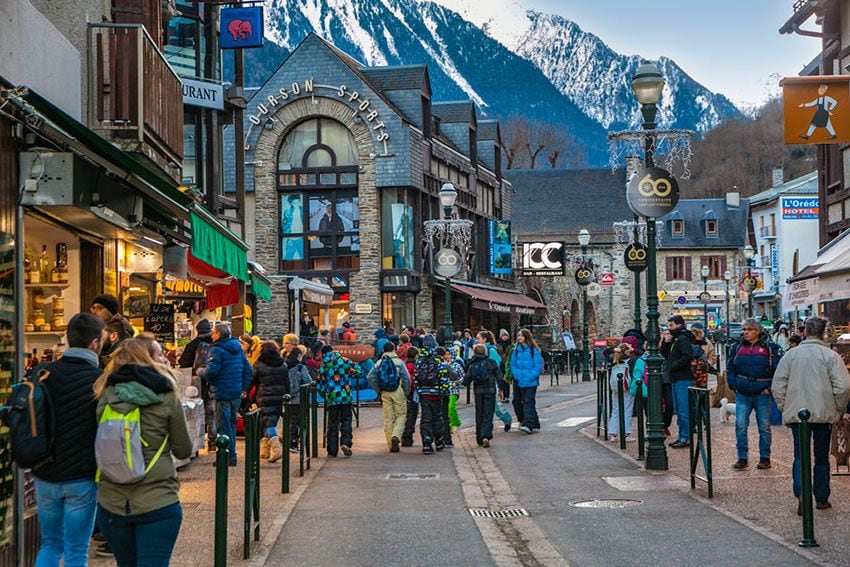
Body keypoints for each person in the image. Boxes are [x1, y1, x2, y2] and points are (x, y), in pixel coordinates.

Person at [93, 338, 193, 567]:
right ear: (146, 359)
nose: (165, 358)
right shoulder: (166, 397)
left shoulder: (105, 395)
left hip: (112, 503)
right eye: (159, 354)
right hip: (158, 499)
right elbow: (183, 449)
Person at [30, 313, 104, 566]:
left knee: (50, 544)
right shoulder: (99, 380)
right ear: (95, 343)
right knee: (76, 551)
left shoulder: (42, 373)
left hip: (45, 473)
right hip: (81, 478)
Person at [772, 317, 850, 513]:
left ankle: (801, 494)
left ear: (805, 332)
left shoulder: (791, 355)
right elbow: (843, 386)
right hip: (824, 413)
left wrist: (785, 407)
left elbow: (778, 385)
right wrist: (838, 409)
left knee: (800, 455)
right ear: (823, 332)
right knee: (821, 456)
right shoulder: (831, 356)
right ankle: (821, 496)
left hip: (798, 413)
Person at [727, 318, 783, 470]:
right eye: (744, 329)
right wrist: (734, 385)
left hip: (762, 392)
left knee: (764, 426)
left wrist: (769, 388)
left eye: (749, 329)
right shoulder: (737, 347)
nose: (745, 332)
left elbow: (779, 370)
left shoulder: (769, 347)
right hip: (743, 391)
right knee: (740, 425)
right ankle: (742, 458)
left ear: (757, 331)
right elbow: (730, 367)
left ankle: (765, 458)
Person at [197, 323, 252, 466]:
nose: (211, 335)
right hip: (235, 393)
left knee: (223, 425)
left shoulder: (216, 350)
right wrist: (243, 388)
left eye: (214, 332)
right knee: (231, 424)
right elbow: (247, 369)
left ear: (219, 334)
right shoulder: (238, 348)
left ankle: (227, 457)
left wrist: (200, 371)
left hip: (222, 392)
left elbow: (211, 371)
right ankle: (231, 454)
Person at [316, 344, 361, 457]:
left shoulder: (324, 366)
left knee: (333, 423)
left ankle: (332, 450)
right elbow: (358, 371)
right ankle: (346, 443)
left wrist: (324, 394)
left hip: (332, 397)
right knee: (346, 420)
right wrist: (349, 374)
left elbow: (319, 385)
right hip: (345, 395)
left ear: (323, 354)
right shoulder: (345, 361)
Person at [367, 342, 411, 452]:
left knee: (388, 418)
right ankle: (396, 436)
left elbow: (370, 377)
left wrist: (378, 389)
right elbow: (407, 379)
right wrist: (406, 392)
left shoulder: (379, 363)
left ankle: (391, 444)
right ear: (394, 350)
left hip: (385, 392)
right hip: (398, 391)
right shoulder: (399, 362)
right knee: (400, 415)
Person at [178, 319, 215, 451]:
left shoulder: (193, 344)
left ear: (198, 330)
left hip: (195, 382)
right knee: (211, 410)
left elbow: (183, 362)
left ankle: (197, 441)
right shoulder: (215, 343)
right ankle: (213, 441)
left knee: (196, 411)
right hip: (212, 381)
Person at [252, 341, 289, 463]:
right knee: (270, 421)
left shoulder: (259, 364)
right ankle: (265, 451)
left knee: (267, 424)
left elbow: (252, 380)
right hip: (279, 397)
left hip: (264, 397)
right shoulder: (282, 364)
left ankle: (276, 449)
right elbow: (287, 382)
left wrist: (245, 393)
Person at [414, 335, 452, 453]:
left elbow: (416, 377)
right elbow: (443, 376)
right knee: (437, 417)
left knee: (426, 418)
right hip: (436, 393)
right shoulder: (438, 359)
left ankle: (426, 442)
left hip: (423, 394)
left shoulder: (419, 360)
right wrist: (445, 390)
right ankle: (439, 441)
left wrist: (419, 389)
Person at [665, 315, 694, 448]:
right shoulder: (674, 339)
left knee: (683, 409)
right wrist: (665, 342)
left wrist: (674, 366)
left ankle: (685, 437)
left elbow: (687, 356)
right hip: (675, 377)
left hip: (683, 377)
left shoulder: (682, 339)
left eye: (671, 325)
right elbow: (665, 355)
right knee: (678, 409)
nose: (668, 328)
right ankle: (681, 436)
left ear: (678, 325)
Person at [464, 344, 500, 447]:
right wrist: (501, 387)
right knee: (488, 413)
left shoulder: (472, 363)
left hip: (478, 391)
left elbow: (467, 379)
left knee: (479, 413)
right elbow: (499, 375)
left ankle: (479, 437)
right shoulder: (491, 362)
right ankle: (486, 435)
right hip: (490, 390)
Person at [476, 330, 512, 431]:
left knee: (495, 405)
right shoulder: (478, 349)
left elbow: (496, 364)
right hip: (482, 382)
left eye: (478, 338)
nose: (476, 340)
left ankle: (507, 419)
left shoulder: (490, 350)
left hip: (491, 381)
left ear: (485, 339)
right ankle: (485, 426)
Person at [510, 328, 543, 434]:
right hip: (518, 380)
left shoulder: (534, 350)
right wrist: (517, 374)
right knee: (517, 401)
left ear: (526, 337)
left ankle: (528, 424)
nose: (519, 337)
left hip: (530, 381)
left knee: (528, 402)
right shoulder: (516, 350)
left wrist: (529, 376)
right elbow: (513, 364)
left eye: (521, 335)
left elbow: (538, 366)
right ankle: (534, 422)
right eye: (518, 335)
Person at [608, 343, 636, 441]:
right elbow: (639, 354)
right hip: (626, 388)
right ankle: (626, 433)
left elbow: (605, 352)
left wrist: (616, 349)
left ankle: (613, 433)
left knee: (615, 410)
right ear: (626, 351)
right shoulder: (630, 361)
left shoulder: (613, 360)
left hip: (615, 389)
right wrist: (631, 348)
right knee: (627, 410)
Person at [287, 346, 312, 453]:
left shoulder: (285, 365)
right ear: (299, 356)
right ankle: (297, 442)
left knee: (292, 420)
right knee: (300, 422)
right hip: (299, 398)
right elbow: (307, 380)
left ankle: (291, 442)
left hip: (288, 398)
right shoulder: (301, 367)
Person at [401, 346, 420, 447]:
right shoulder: (416, 366)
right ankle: (407, 437)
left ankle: (400, 435)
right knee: (412, 415)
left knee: (402, 415)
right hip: (413, 393)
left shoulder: (403, 364)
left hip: (402, 392)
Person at [497, 329, 513, 402]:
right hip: (500, 364)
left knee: (506, 380)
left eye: (506, 335)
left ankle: (507, 395)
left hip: (507, 363)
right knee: (501, 380)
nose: (505, 337)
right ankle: (502, 395)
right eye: (503, 335)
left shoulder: (510, 345)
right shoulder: (497, 344)